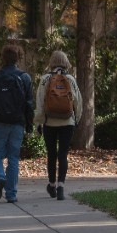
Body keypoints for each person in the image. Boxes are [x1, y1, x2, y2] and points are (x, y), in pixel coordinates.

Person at [0, 43, 34, 204]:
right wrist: (29, 127)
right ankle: (11, 194)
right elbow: (29, 105)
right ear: (18, 58)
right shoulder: (24, 78)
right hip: (17, 123)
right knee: (13, 158)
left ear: (3, 58)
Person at [33, 50, 84, 201]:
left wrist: (38, 122)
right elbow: (78, 102)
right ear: (66, 62)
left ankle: (52, 185)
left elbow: (40, 103)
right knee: (63, 154)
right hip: (67, 122)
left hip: (50, 122)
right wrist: (76, 119)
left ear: (52, 62)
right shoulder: (70, 80)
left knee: (51, 154)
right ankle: (61, 185)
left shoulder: (45, 79)